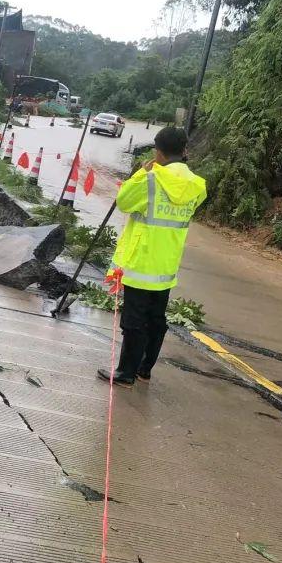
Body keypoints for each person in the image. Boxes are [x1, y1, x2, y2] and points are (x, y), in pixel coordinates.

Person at [98, 127, 207, 387]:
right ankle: (144, 369)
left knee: (133, 322)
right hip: (166, 266)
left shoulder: (150, 179)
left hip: (140, 264)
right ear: (185, 151)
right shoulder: (196, 185)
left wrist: (141, 173)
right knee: (156, 320)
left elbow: (124, 201)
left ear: (158, 152)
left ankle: (125, 372)